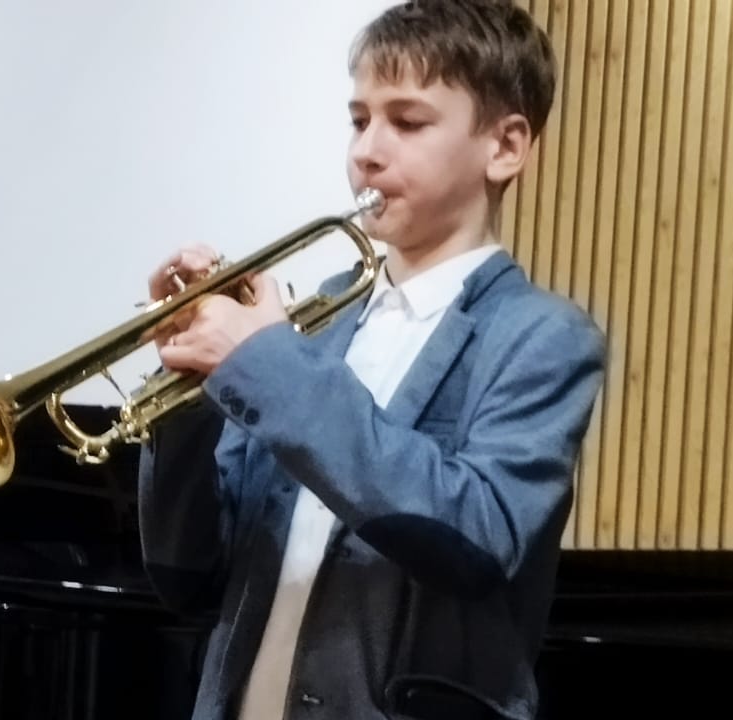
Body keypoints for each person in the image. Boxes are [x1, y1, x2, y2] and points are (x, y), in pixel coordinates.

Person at [139, 2, 606, 719]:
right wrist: (188, 394)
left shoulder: (543, 336)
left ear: (506, 146)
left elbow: (476, 537)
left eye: (407, 122)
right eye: (359, 120)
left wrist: (268, 365)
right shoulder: (314, 322)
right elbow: (186, 574)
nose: (367, 151)